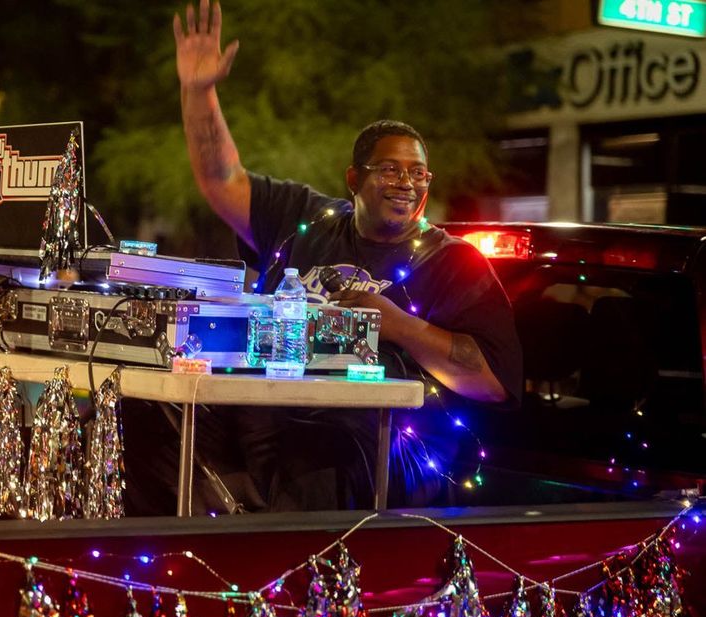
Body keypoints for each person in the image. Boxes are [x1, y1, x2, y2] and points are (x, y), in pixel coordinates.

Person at [123, 1, 523, 515]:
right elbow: (222, 180)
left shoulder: (452, 262)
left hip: (382, 439)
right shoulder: (307, 219)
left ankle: (296, 583)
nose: (406, 183)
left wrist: (398, 326)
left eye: (418, 174)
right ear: (354, 179)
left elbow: (492, 382)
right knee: (150, 411)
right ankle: (177, 558)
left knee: (308, 453)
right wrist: (199, 91)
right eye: (390, 170)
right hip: (268, 411)